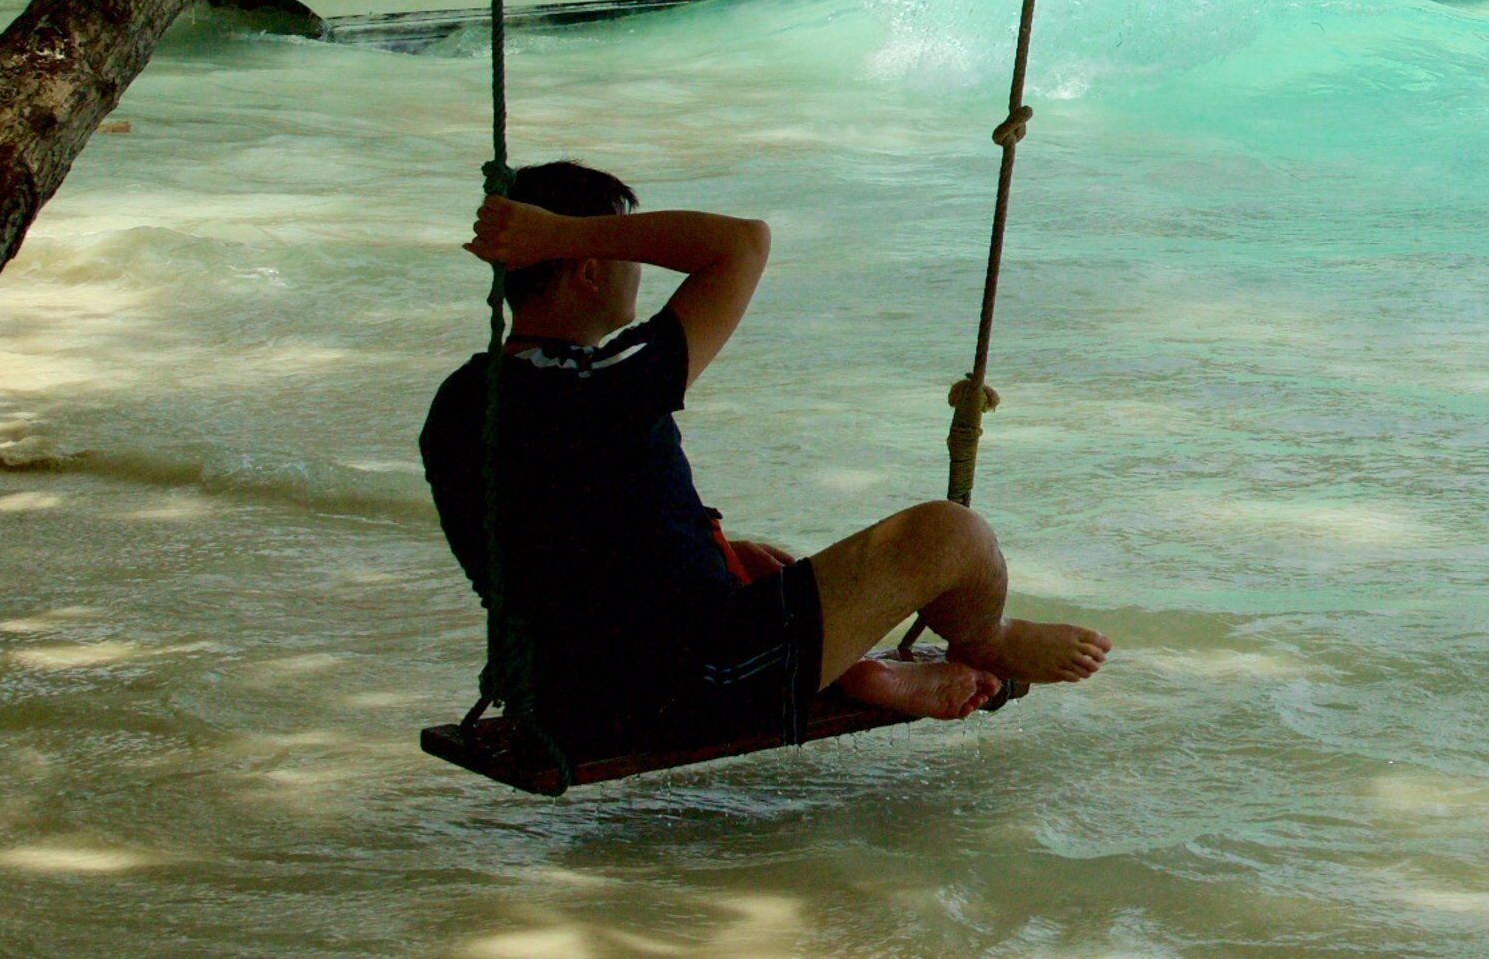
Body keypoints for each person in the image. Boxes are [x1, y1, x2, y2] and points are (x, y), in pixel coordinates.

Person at [419, 160, 1107, 749]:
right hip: (686, 691)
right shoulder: (605, 387)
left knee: (761, 558)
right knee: (951, 537)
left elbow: (568, 542)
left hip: (564, 693)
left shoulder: (464, 397)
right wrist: (562, 232)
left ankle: (862, 671)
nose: (640, 268)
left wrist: (711, 553)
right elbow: (743, 245)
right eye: (623, 249)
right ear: (589, 271)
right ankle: (988, 638)